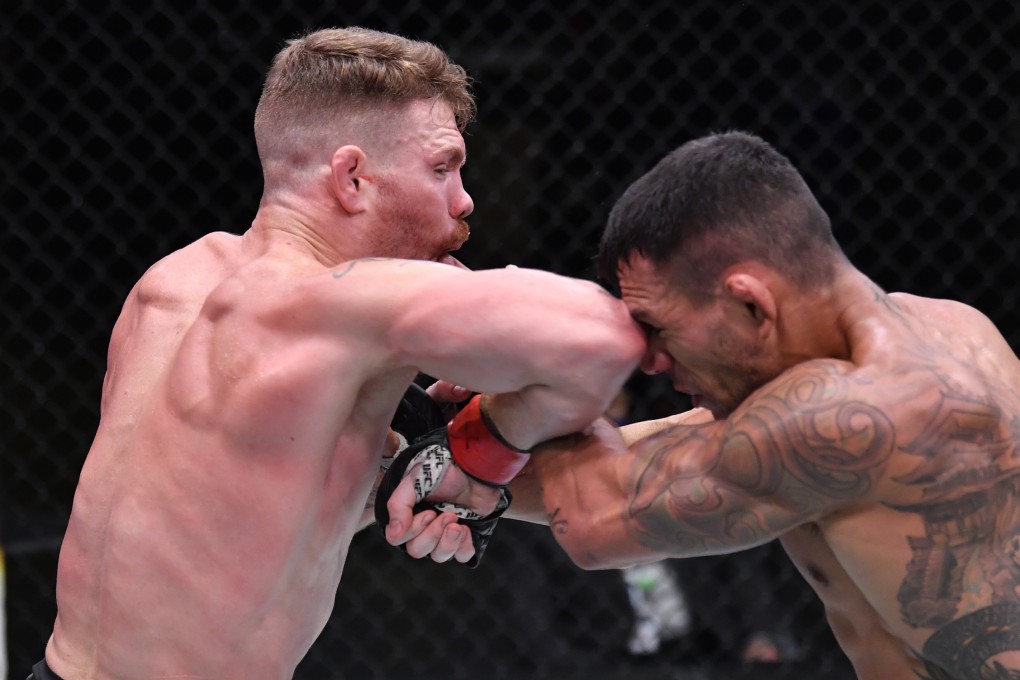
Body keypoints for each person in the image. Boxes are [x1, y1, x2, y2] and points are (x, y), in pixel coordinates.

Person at [32, 27, 646, 680]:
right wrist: (487, 451)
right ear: (352, 178)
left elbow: (220, 519)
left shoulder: (172, 283)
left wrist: (416, 456)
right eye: (442, 168)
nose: (464, 199)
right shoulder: (336, 305)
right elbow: (605, 340)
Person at [383, 131, 1020, 680]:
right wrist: (451, 448)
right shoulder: (946, 328)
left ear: (750, 305)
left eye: (660, 330)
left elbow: (599, 518)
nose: (651, 361)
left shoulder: (854, 415)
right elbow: (654, 464)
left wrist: (534, 376)